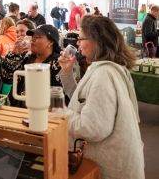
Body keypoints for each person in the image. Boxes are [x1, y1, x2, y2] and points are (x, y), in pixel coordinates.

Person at [57, 15, 144, 179]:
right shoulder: (105, 69)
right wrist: (68, 73)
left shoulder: (103, 74)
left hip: (106, 168)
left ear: (96, 41)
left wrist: (61, 113)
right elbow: (82, 101)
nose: (77, 43)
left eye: (81, 38)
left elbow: (92, 128)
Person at [1, 24, 62, 107]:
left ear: (50, 42)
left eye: (37, 37)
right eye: (32, 36)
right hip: (17, 109)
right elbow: (6, 78)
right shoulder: (26, 57)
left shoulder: (58, 64)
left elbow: (58, 96)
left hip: (42, 112)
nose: (32, 39)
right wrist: (14, 55)